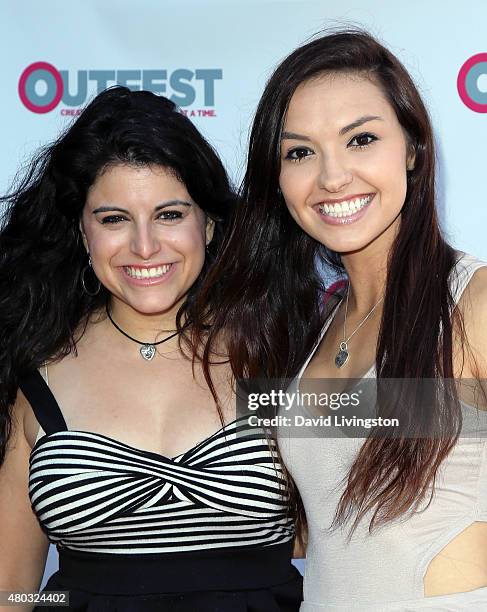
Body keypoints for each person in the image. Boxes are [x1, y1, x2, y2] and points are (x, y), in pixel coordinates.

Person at [191, 30, 487, 610]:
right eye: (300, 152)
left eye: (362, 139)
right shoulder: (310, 328)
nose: (332, 177)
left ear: (412, 148)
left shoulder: (473, 303)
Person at [0, 86, 302, 611]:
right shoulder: (37, 372)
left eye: (169, 215)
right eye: (114, 218)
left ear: (208, 223)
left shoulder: (279, 352)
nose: (144, 247)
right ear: (81, 229)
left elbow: (425, 452)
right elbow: (11, 591)